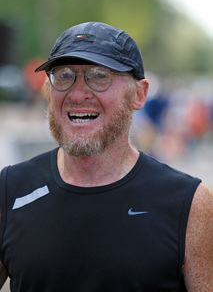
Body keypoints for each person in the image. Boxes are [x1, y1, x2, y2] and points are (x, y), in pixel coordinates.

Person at [0, 21, 212, 292]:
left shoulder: (191, 204)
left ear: (139, 94)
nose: (77, 93)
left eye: (99, 75)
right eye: (64, 75)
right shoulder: (10, 189)